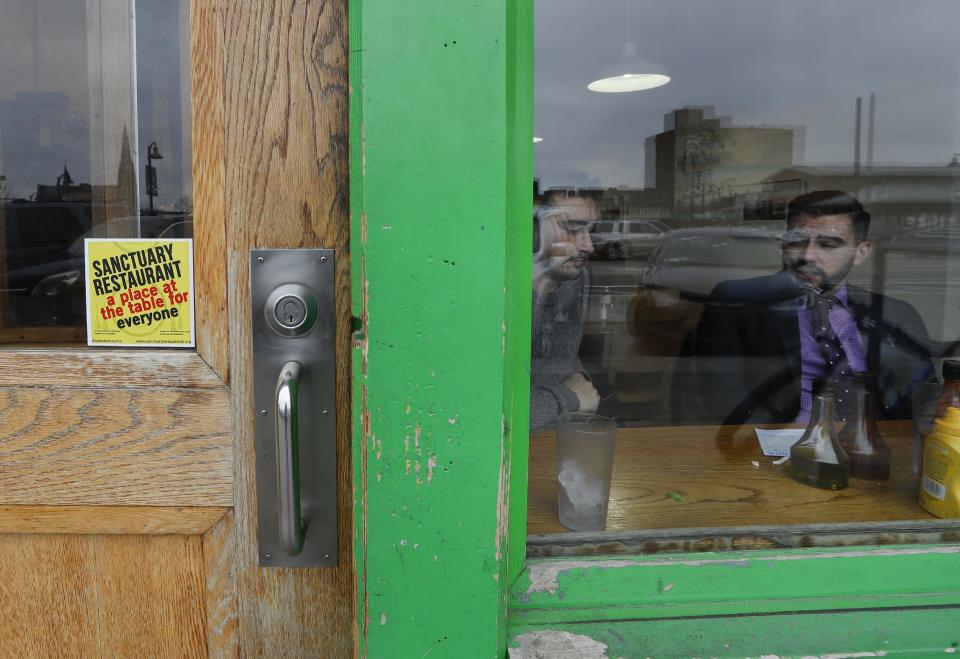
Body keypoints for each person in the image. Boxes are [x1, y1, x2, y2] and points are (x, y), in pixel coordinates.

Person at [695, 190, 934, 425]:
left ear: (861, 252)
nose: (807, 256)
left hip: (871, 451)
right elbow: (723, 401)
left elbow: (923, 402)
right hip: (776, 451)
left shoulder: (896, 314)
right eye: (797, 241)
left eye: (828, 245)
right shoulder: (738, 301)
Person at [530, 195, 601, 430]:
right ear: (534, 228)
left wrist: (577, 383)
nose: (588, 246)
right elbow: (484, 409)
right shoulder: (495, 290)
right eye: (572, 228)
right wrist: (569, 397)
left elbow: (562, 363)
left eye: (591, 230)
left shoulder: (574, 278)